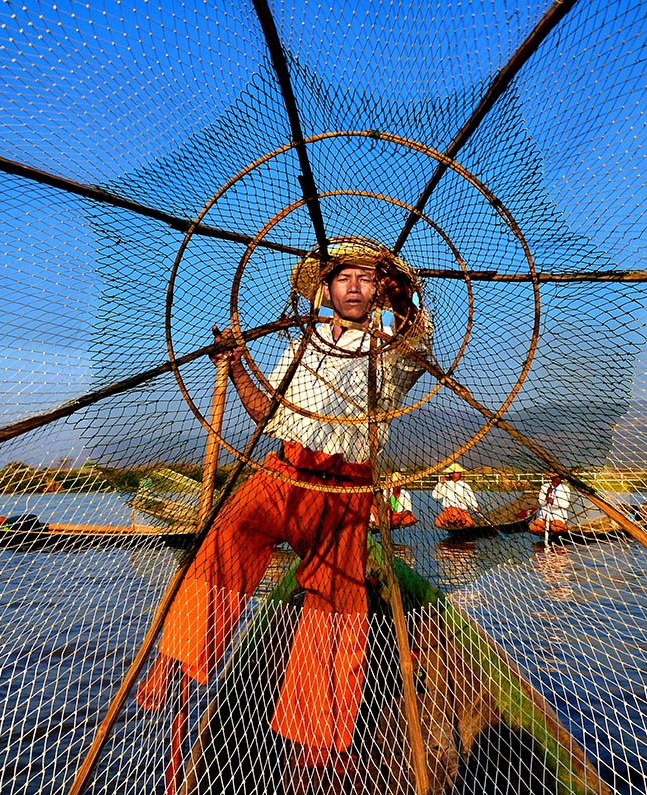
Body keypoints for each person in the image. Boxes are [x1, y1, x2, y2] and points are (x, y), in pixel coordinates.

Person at [136, 237, 431, 759]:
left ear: (380, 290)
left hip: (347, 488)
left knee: (337, 602)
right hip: (286, 470)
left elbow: (417, 346)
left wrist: (402, 298)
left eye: (366, 277)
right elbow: (268, 413)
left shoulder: (392, 349)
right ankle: (176, 658)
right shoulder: (304, 342)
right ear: (325, 288)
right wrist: (238, 362)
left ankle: (314, 739)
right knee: (227, 534)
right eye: (344, 277)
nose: (355, 286)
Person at [432, 463, 479, 529]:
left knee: (469, 523)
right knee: (438, 523)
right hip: (448, 512)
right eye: (457, 473)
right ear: (451, 474)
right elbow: (436, 496)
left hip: (462, 511)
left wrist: (474, 507)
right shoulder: (445, 485)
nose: (460, 474)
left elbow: (470, 498)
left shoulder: (465, 485)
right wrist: (440, 484)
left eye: (460, 473)